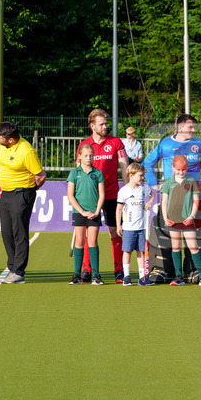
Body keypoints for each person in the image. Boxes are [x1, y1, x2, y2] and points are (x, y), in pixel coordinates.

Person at [143, 114, 201, 276]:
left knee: (194, 238)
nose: (193, 130)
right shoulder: (165, 144)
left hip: (192, 199)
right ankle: (167, 271)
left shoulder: (198, 144)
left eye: (194, 127)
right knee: (171, 238)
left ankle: (195, 271)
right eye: (190, 127)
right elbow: (147, 164)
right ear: (180, 127)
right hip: (171, 200)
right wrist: (154, 184)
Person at [78, 109, 128, 283]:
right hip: (90, 198)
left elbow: (124, 166)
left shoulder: (116, 143)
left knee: (115, 232)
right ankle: (87, 268)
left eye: (106, 123)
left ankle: (119, 269)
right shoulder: (84, 145)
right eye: (102, 124)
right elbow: (79, 172)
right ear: (92, 126)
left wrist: (128, 190)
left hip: (113, 194)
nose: (105, 126)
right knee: (90, 233)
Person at [0, 121, 46, 284]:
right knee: (6, 231)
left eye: (0, 136)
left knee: (19, 231)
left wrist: (29, 191)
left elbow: (40, 175)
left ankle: (18, 271)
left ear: (10, 139)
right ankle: (12, 267)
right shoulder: (2, 145)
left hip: (22, 193)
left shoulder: (27, 151)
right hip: (5, 193)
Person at [159, 155, 201, 287]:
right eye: (178, 169)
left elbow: (196, 201)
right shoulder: (168, 183)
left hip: (188, 220)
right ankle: (178, 276)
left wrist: (191, 216)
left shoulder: (192, 181)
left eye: (183, 169)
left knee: (193, 246)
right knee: (176, 247)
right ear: (173, 167)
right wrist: (166, 218)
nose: (181, 172)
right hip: (172, 220)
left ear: (187, 168)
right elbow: (164, 202)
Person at [67, 143, 105, 285]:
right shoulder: (74, 173)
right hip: (79, 213)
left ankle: (96, 274)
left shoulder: (97, 173)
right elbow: (70, 196)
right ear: (80, 157)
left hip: (94, 213)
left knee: (93, 242)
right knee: (80, 242)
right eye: (86, 156)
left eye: (91, 155)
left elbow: (102, 195)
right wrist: (82, 211)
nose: (89, 158)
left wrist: (96, 211)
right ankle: (76, 274)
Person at [116, 163, 155, 287]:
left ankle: (142, 277)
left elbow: (153, 195)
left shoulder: (144, 188)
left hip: (141, 227)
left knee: (141, 252)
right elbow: (119, 209)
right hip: (128, 228)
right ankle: (126, 276)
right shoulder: (124, 191)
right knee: (127, 251)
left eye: (143, 175)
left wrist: (149, 202)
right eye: (140, 175)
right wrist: (118, 225)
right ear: (131, 176)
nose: (142, 178)